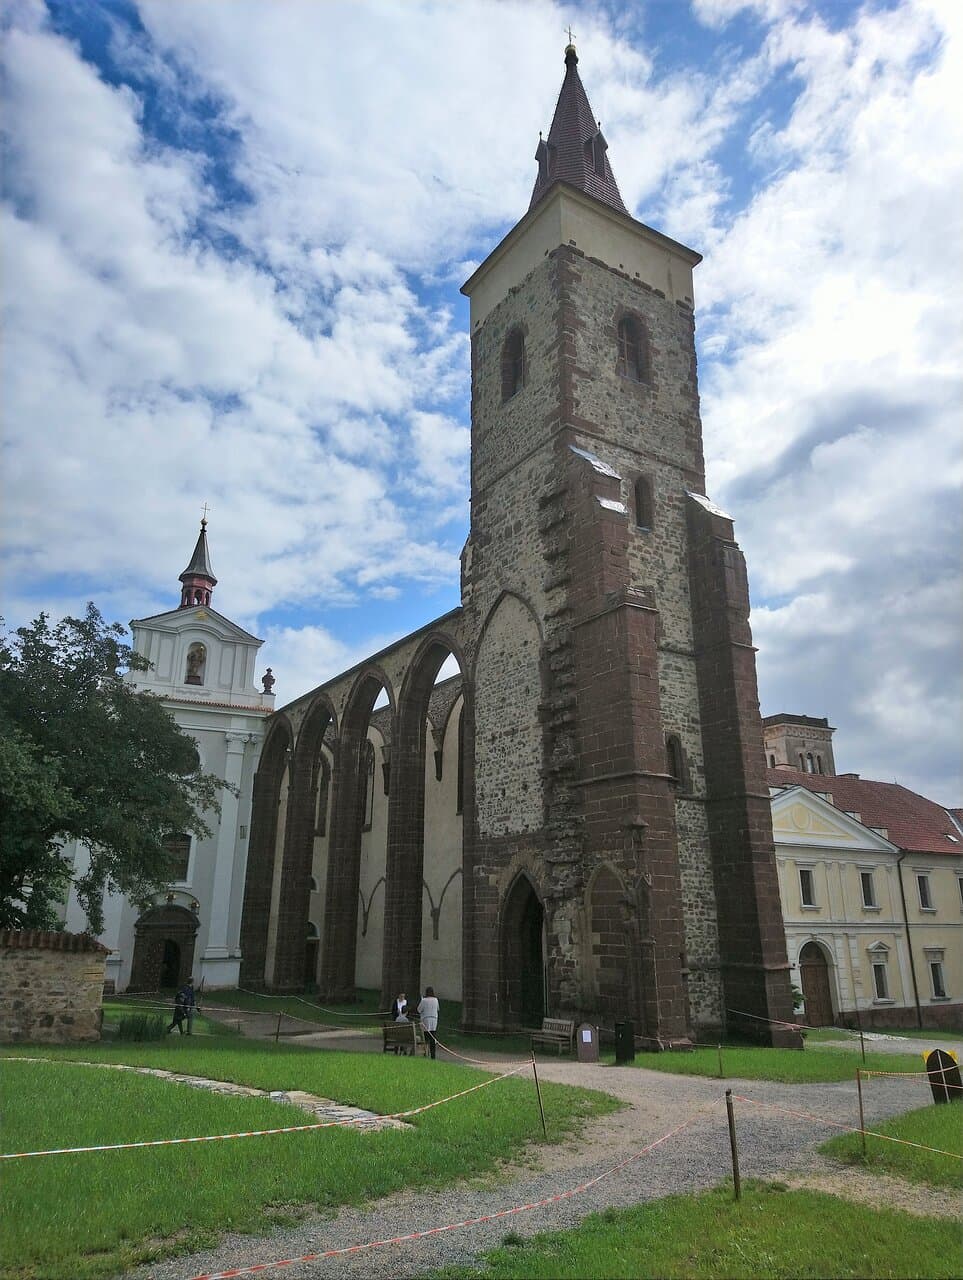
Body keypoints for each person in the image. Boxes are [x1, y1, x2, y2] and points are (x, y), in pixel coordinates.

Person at [417, 986, 439, 1059]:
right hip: (434, 1020)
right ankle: (433, 1055)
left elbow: (419, 1010)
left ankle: (425, 1054)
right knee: (432, 1037)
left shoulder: (424, 1000)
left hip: (426, 1020)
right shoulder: (436, 1000)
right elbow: (437, 1009)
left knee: (426, 1038)